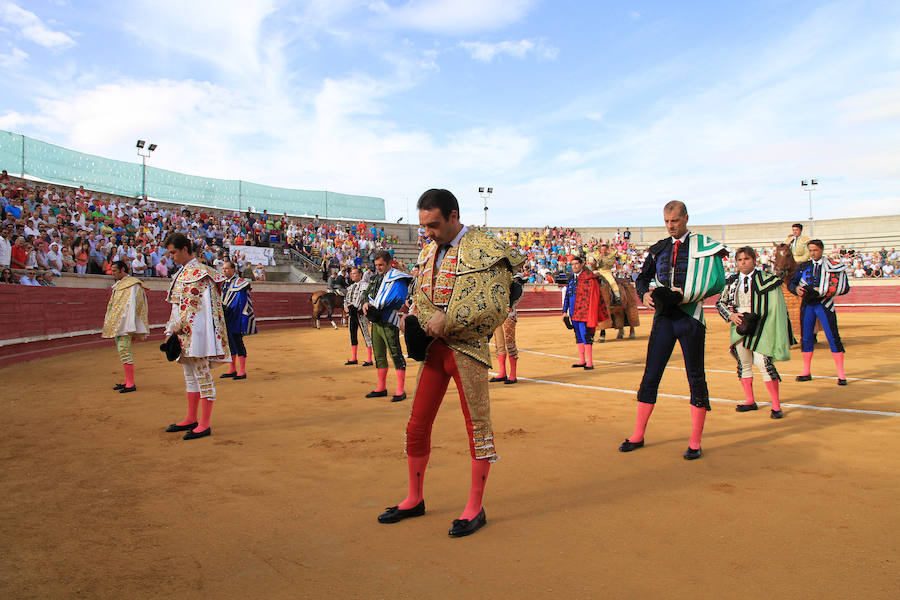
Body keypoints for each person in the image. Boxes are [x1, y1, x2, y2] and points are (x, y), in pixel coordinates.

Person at [377, 189, 524, 538]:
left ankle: (475, 507)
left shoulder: (485, 248)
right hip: (434, 351)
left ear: (454, 216)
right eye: (423, 225)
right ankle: (414, 498)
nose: (427, 232)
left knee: (478, 428)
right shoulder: (428, 251)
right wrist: (416, 322)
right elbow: (421, 296)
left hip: (467, 350)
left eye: (434, 224)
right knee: (416, 425)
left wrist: (449, 319)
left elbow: (496, 303)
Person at [620, 201, 727, 460]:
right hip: (665, 318)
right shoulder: (659, 249)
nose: (671, 226)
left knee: (695, 377)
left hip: (691, 318)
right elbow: (642, 277)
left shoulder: (703, 245)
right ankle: (638, 434)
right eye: (667, 222)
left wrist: (685, 296)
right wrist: (644, 294)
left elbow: (717, 281)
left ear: (686, 218)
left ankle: (695, 441)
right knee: (651, 374)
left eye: (676, 221)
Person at [162, 233, 230, 440]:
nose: (171, 256)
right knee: (190, 377)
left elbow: (205, 310)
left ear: (185, 249)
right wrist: (170, 330)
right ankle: (191, 417)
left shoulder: (202, 273)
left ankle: (205, 424)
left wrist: (192, 332)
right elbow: (177, 307)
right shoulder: (182, 274)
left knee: (202, 377)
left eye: (173, 252)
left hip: (197, 335)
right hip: (182, 334)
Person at [715, 247, 792, 418]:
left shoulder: (767, 279)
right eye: (740, 260)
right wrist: (731, 315)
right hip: (739, 325)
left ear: (754, 260)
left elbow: (775, 306)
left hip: (762, 326)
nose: (743, 262)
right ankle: (750, 400)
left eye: (747, 259)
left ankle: (776, 405)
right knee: (744, 363)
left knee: (764, 362)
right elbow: (720, 304)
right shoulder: (731, 281)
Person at [788, 239, 850, 385]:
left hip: (824, 304)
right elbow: (792, 283)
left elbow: (845, 287)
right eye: (810, 250)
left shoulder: (832, 266)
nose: (812, 253)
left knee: (833, 336)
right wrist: (796, 289)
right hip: (808, 304)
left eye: (815, 250)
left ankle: (841, 373)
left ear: (821, 250)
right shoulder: (804, 266)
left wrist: (824, 292)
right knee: (806, 337)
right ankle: (806, 371)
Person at [362, 250, 413, 401]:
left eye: (381, 265)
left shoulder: (397, 278)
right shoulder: (375, 279)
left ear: (390, 263)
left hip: (389, 321)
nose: (378, 267)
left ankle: (400, 390)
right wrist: (365, 302)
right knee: (379, 354)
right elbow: (366, 293)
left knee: (395, 354)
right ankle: (381, 387)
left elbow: (398, 299)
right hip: (376, 322)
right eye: (376, 265)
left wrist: (377, 305)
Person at [101, 261, 149, 393]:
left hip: (126, 323)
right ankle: (127, 380)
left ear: (123, 269)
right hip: (118, 322)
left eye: (115, 270)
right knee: (122, 350)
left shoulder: (133, 284)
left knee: (124, 350)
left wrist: (131, 324)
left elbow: (136, 306)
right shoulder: (119, 285)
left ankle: (131, 383)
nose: (113, 273)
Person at [561, 256, 610, 370]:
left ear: (582, 264)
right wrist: (564, 311)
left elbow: (593, 296)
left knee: (585, 335)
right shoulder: (571, 279)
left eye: (576, 264)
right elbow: (567, 296)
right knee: (578, 335)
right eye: (572, 264)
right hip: (573, 312)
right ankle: (582, 360)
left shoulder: (589, 278)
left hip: (584, 312)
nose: (574, 266)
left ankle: (590, 362)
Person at [219, 261, 257, 380]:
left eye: (226, 268)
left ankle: (242, 370)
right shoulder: (223, 284)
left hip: (236, 317)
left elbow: (243, 299)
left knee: (238, 342)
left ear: (233, 270)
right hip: (226, 317)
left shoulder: (240, 283)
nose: (224, 270)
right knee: (229, 343)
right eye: (223, 268)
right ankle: (232, 369)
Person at [490, 273, 526, 384]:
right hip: (498, 314)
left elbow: (511, 299)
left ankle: (513, 375)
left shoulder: (516, 285)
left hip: (509, 314)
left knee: (510, 343)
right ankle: (502, 373)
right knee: (499, 344)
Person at [343, 267, 374, 366]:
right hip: (352, 314)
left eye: (354, 273)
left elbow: (362, 299)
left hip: (361, 314)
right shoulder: (350, 287)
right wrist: (346, 307)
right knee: (352, 335)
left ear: (360, 274)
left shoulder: (365, 285)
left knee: (366, 335)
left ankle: (369, 359)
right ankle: (354, 358)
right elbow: (345, 299)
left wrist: (353, 306)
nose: (352, 275)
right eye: (351, 274)